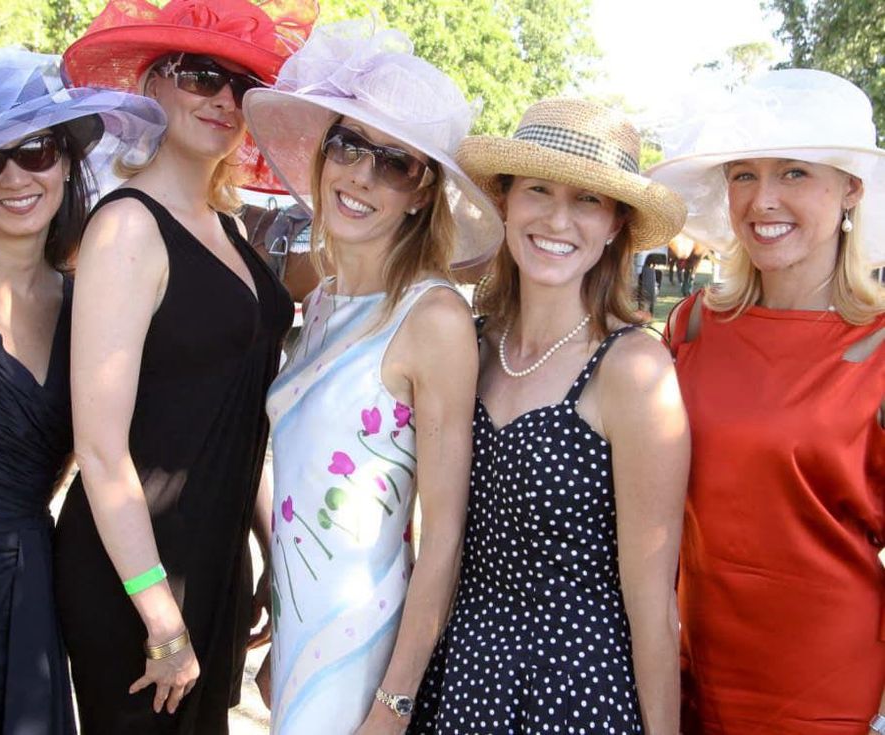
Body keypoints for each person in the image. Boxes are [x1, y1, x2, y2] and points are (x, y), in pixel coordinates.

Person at [52, 1, 316, 733]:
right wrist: (161, 615)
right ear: (153, 83)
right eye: (201, 76)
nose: (225, 99)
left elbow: (240, 412)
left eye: (242, 84)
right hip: (136, 574)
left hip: (214, 560)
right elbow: (101, 451)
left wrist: (274, 558)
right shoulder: (127, 225)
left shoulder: (231, 230)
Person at [241, 19, 504, 734]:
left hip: (366, 650)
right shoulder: (321, 299)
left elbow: (444, 535)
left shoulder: (435, 318)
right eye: (349, 146)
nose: (362, 174)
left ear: (423, 193)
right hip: (297, 633)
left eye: (396, 163)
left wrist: (394, 703)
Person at [0, 39, 164, 734]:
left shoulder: (95, 310)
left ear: (68, 160)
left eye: (37, 151)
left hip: (25, 598)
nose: (14, 177)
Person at [409, 97, 691, 735]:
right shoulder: (470, 345)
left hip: (574, 691)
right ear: (505, 199)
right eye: (539, 190)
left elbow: (652, 601)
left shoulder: (634, 370)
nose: (558, 218)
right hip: (459, 677)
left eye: (588, 200)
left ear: (616, 223)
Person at [650, 68, 885, 734]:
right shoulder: (691, 325)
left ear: (850, 190)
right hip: (690, 663)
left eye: (794, 173)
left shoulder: (880, 348)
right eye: (744, 174)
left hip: (826, 683)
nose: (762, 200)